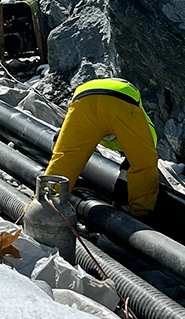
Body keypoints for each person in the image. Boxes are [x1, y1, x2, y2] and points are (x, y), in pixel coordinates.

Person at [45, 77, 159, 216]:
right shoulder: (146, 131)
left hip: (84, 96)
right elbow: (135, 167)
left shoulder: (135, 126)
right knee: (143, 165)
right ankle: (141, 215)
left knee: (64, 157)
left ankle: (44, 206)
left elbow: (61, 142)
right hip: (121, 99)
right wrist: (118, 200)